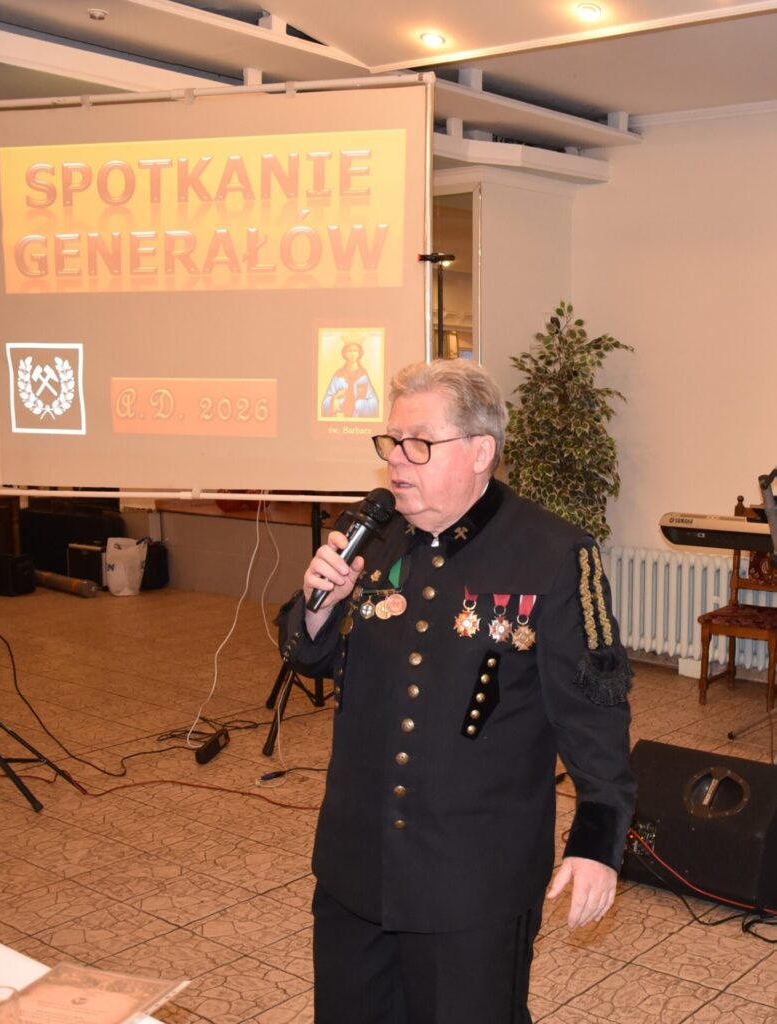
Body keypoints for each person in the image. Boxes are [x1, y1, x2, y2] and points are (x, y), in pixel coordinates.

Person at [277, 358, 635, 1024]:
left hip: (474, 879)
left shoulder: (553, 554)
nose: (397, 460)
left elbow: (595, 713)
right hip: (356, 863)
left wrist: (596, 841)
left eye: (419, 443)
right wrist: (318, 607)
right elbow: (308, 654)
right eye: (391, 441)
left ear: (480, 452)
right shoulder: (370, 536)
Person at [321, 339, 380, 418]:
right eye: (349, 351)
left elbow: (374, 403)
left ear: (359, 353)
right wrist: (336, 398)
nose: (353, 354)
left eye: (355, 351)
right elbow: (325, 403)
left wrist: (359, 405)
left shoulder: (363, 376)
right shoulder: (338, 376)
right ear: (345, 354)